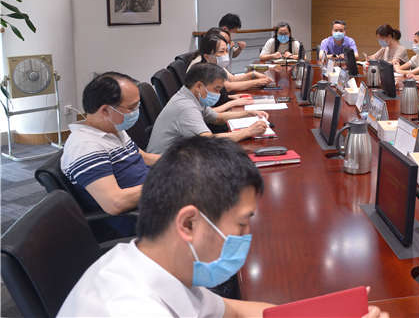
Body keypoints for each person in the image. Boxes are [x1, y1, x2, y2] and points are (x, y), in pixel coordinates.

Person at [58, 136, 389, 318]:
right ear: (189, 223)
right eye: (242, 224)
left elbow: (235, 310)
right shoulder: (128, 309)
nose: (247, 237)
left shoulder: (159, 265)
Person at [61, 72, 160, 216]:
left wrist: (182, 162)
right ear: (105, 110)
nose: (137, 112)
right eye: (132, 108)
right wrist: (165, 184)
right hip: (141, 216)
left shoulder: (113, 128)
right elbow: (115, 203)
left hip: (153, 197)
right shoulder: (85, 146)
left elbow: (143, 157)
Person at [147, 64, 269, 155]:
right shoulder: (186, 107)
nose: (218, 94)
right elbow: (208, 141)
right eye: (216, 89)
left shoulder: (192, 95)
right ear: (199, 86)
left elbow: (217, 118)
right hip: (165, 167)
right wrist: (248, 132)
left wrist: (248, 113)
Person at [190, 31, 274, 93]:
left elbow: (233, 79)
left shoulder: (216, 64)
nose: (225, 55)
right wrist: (257, 82)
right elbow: (229, 86)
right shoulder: (202, 68)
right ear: (207, 56)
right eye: (221, 51)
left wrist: (253, 74)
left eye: (226, 50)